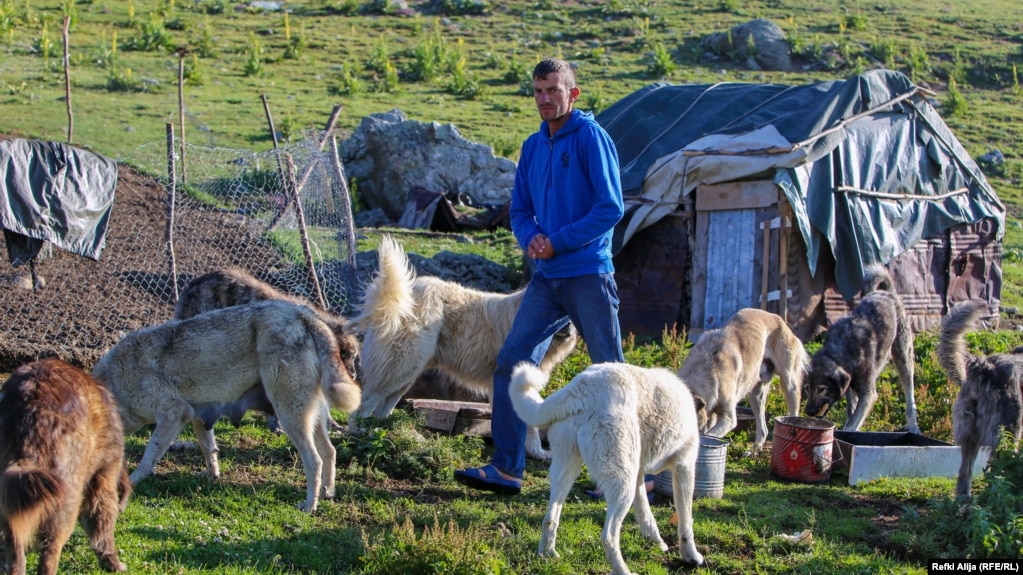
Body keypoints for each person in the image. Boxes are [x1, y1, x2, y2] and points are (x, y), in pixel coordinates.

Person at [454, 58, 626, 495]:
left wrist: (559, 241)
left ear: (573, 93)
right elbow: (519, 211)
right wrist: (531, 238)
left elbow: (610, 208)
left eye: (553, 90)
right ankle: (507, 468)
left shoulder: (590, 137)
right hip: (546, 279)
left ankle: (629, 477)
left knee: (610, 375)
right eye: (538, 91)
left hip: (588, 272)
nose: (545, 99)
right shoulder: (532, 146)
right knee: (512, 362)